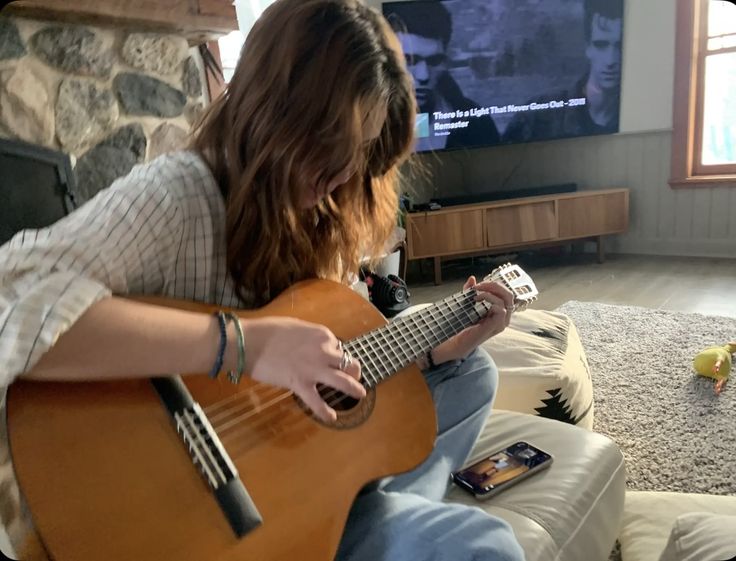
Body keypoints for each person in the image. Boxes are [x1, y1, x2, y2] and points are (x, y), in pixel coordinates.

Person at [0, 1, 525, 560]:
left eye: (362, 150)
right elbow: (11, 302)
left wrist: (437, 349)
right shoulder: (177, 196)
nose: (344, 174)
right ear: (273, 114)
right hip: (202, 508)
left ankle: (335, 508)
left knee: (473, 374)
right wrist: (244, 345)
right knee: (485, 546)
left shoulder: (322, 211)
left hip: (294, 470)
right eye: (330, 147)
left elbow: (333, 364)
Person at [384, 2, 501, 152]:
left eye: (434, 61)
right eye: (409, 60)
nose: (423, 75)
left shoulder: (476, 123)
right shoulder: (364, 124)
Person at [503, 0, 623, 143]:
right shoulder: (537, 115)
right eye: (601, 45)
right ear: (588, 47)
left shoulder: (638, 113)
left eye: (619, 46)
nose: (610, 60)